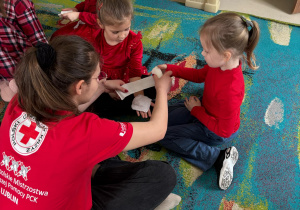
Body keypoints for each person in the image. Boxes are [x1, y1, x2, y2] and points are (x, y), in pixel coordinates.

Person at [0, 35, 180, 210]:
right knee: (162, 175)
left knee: (100, 151)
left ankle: (94, 174)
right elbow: (157, 130)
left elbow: (63, 117)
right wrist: (162, 90)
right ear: (79, 87)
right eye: (97, 77)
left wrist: (100, 87)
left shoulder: (20, 100)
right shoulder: (87, 131)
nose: (100, 79)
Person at [157, 12, 260, 190]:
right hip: (205, 110)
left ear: (226, 55)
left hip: (214, 130)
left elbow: (223, 129)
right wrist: (172, 69)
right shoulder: (219, 65)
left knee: (162, 134)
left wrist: (196, 111)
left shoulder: (231, 90)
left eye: (206, 50)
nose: (202, 53)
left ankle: (217, 157)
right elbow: (199, 75)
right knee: (165, 116)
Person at [84, 0, 155, 119]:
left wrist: (139, 98)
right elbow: (89, 72)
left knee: (155, 87)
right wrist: (107, 88)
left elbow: (134, 71)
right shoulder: (92, 41)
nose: (122, 36)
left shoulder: (134, 42)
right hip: (102, 80)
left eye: (126, 29)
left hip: (127, 80)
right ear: (101, 24)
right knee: (86, 98)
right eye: (115, 32)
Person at [0, 0, 47, 101]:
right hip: (15, 69)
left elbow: (38, 39)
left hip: (24, 63)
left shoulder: (18, 3)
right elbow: (38, 38)